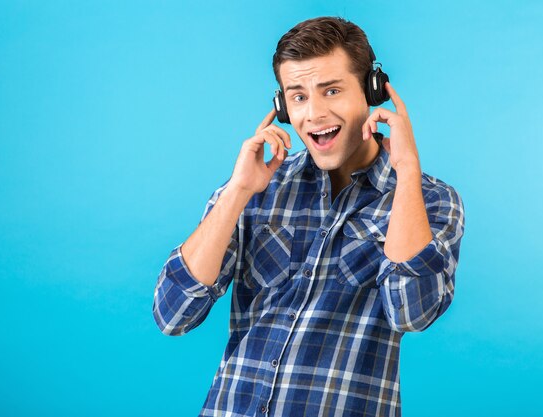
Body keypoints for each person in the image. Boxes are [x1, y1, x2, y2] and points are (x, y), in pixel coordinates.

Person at [153, 16, 465, 417]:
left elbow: (412, 313)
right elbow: (173, 314)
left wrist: (406, 171)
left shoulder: (432, 200)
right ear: (282, 107)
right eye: (298, 96)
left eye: (331, 90)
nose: (314, 113)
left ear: (372, 92)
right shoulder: (256, 189)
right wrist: (236, 193)